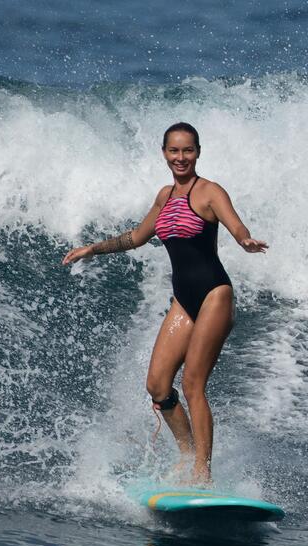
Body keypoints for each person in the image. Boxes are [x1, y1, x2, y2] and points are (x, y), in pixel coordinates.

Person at [63, 123, 267, 484]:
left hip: (214, 295)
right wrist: (93, 248)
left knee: (192, 384)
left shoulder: (210, 192)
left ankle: (202, 472)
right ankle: (187, 456)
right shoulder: (164, 196)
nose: (181, 157)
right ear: (164, 153)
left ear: (198, 152)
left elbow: (236, 227)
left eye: (188, 150)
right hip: (184, 302)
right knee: (158, 385)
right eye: (174, 151)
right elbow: (136, 237)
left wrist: (245, 240)